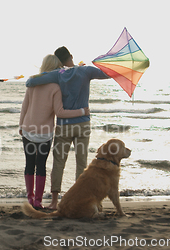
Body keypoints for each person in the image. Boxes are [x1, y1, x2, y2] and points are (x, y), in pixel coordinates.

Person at [26, 46, 111, 210]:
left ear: (58, 62)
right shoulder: (86, 71)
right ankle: (82, 198)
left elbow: (30, 81)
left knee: (59, 163)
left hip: (64, 126)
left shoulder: (58, 74)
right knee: (82, 163)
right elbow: (107, 74)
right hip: (83, 125)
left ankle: (54, 202)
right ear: (71, 56)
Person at [19, 54, 90, 209]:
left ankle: (30, 199)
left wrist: (20, 125)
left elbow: (24, 107)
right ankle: (38, 201)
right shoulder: (55, 87)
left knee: (29, 164)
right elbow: (60, 112)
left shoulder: (32, 83)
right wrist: (82, 112)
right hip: (45, 134)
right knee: (41, 165)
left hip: (27, 131)